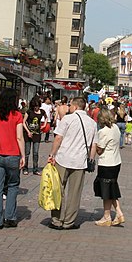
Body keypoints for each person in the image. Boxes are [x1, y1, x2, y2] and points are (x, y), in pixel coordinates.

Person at [46, 96, 97, 230]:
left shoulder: (68, 119)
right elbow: (94, 145)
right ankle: (69, 221)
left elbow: (58, 138)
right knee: (75, 192)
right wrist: (91, 160)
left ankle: (57, 220)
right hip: (80, 161)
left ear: (74, 107)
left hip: (63, 158)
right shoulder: (92, 123)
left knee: (58, 189)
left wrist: (52, 154)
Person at [0, 89, 25, 229]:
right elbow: (19, 137)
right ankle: (10, 217)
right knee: (13, 185)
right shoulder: (17, 115)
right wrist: (23, 155)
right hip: (13, 154)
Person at [92, 108, 124, 226]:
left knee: (106, 191)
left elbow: (99, 150)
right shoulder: (115, 128)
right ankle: (110, 215)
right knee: (111, 188)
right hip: (116, 161)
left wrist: (94, 146)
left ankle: (111, 215)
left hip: (106, 163)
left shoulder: (103, 131)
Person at [23, 96, 46, 175]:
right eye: (35, 106)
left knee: (35, 152)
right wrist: (28, 131)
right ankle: (25, 167)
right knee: (27, 152)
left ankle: (35, 168)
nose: (36, 108)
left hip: (37, 134)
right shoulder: (29, 112)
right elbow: (24, 122)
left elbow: (46, 118)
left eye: (37, 106)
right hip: (28, 134)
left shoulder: (42, 112)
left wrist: (44, 125)